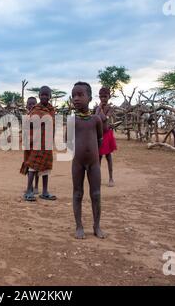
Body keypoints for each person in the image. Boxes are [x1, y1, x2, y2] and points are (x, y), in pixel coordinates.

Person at [71, 82, 105, 239]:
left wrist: (93, 155)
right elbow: (68, 141)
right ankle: (79, 226)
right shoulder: (72, 120)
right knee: (77, 193)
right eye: (73, 95)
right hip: (77, 163)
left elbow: (99, 140)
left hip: (94, 163)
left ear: (90, 98)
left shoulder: (96, 120)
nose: (76, 98)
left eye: (80, 95)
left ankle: (96, 225)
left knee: (96, 194)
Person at [21, 86, 56, 201]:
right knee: (32, 166)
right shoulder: (36, 109)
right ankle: (29, 191)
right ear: (39, 96)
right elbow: (30, 124)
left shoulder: (51, 110)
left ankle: (45, 192)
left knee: (46, 167)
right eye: (42, 95)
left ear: (50, 96)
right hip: (35, 142)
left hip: (47, 143)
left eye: (47, 95)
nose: (44, 96)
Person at [94, 87, 117, 187]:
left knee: (108, 157)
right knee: (98, 157)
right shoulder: (97, 108)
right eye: (101, 97)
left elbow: (103, 119)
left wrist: (100, 110)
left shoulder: (110, 108)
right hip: (98, 135)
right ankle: (97, 178)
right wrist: (98, 109)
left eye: (105, 96)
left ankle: (111, 178)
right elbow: (95, 118)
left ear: (109, 97)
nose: (103, 99)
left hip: (107, 134)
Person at [20, 96, 40, 194]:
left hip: (36, 145)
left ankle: (36, 186)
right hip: (28, 146)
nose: (31, 105)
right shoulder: (26, 116)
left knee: (36, 167)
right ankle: (30, 186)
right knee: (28, 165)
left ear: (37, 105)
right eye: (30, 104)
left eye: (33, 104)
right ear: (26, 105)